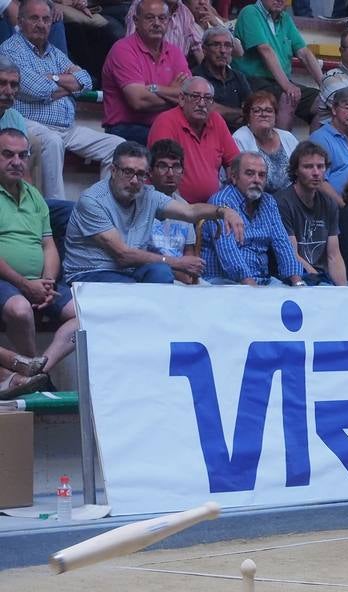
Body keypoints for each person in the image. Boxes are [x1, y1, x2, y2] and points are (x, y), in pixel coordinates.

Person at [64, 140, 244, 283]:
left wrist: (223, 211)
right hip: (90, 273)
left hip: (128, 272)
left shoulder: (148, 195)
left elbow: (189, 211)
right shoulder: (92, 201)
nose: (135, 180)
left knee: (161, 273)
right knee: (149, 282)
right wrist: (177, 263)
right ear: (113, 171)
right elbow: (123, 255)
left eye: (141, 174)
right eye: (128, 172)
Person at [3, 0, 121, 199]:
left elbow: (86, 81)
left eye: (46, 19)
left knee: (117, 146)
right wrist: (69, 85)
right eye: (34, 18)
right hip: (32, 125)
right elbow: (37, 89)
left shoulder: (53, 52)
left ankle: (99, 208)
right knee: (53, 141)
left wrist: (54, 79)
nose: (41, 24)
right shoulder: (11, 50)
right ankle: (57, 209)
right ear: (20, 21)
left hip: (67, 128)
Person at [0, 126, 72, 391]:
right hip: (7, 281)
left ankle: (40, 370)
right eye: (8, 154)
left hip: (37, 282)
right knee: (19, 309)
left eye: (22, 155)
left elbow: (48, 245)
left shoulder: (35, 197)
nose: (16, 162)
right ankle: (31, 372)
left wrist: (48, 282)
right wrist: (24, 284)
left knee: (85, 313)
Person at [201, 151, 303, 285]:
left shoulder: (269, 202)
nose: (257, 180)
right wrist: (254, 293)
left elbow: (282, 244)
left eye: (262, 175)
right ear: (234, 176)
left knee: (296, 298)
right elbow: (229, 254)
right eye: (250, 174)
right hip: (224, 283)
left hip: (261, 281)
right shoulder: (221, 203)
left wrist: (298, 284)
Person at [101, 0, 192, 144]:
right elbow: (138, 101)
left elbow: (189, 97)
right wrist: (174, 95)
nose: (157, 23)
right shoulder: (123, 50)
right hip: (126, 130)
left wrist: (155, 89)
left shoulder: (175, 53)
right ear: (136, 21)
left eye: (162, 18)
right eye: (150, 18)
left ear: (168, 21)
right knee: (176, 143)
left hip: (165, 126)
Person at [231, 0, 323, 130]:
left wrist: (326, 87)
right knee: (288, 97)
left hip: (278, 82)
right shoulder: (250, 12)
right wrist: (287, 85)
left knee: (325, 102)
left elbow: (304, 53)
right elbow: (265, 50)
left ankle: (312, 149)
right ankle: (280, 148)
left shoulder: (285, 18)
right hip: (252, 81)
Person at [144, 75, 236, 204]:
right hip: (173, 207)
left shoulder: (216, 121)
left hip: (212, 207)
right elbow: (164, 177)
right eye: (195, 97)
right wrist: (187, 213)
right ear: (181, 99)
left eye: (207, 98)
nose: (202, 103)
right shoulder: (166, 122)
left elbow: (234, 164)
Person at [275, 140, 346, 286]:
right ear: (295, 170)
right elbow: (291, 254)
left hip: (320, 278)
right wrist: (319, 282)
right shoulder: (282, 202)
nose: (316, 173)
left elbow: (334, 256)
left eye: (320, 167)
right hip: (292, 278)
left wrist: (343, 292)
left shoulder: (329, 203)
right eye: (308, 167)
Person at [145, 138, 201, 284]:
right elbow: (139, 257)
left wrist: (189, 275)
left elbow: (189, 252)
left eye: (176, 166)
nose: (170, 173)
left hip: (183, 279)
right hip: (152, 278)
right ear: (150, 172)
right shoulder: (140, 203)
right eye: (163, 166)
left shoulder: (185, 208)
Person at [230, 90, 297, 194]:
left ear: (275, 116)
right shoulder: (240, 138)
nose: (263, 114)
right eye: (257, 111)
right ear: (248, 116)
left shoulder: (288, 137)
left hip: (290, 201)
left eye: (269, 110)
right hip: (256, 198)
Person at [193, 26, 252, 130]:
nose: (223, 50)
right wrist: (241, 112)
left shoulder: (238, 77)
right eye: (216, 45)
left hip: (240, 134)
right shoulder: (196, 78)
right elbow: (208, 109)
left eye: (227, 45)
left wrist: (227, 113)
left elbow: (252, 109)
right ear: (204, 49)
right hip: (209, 133)